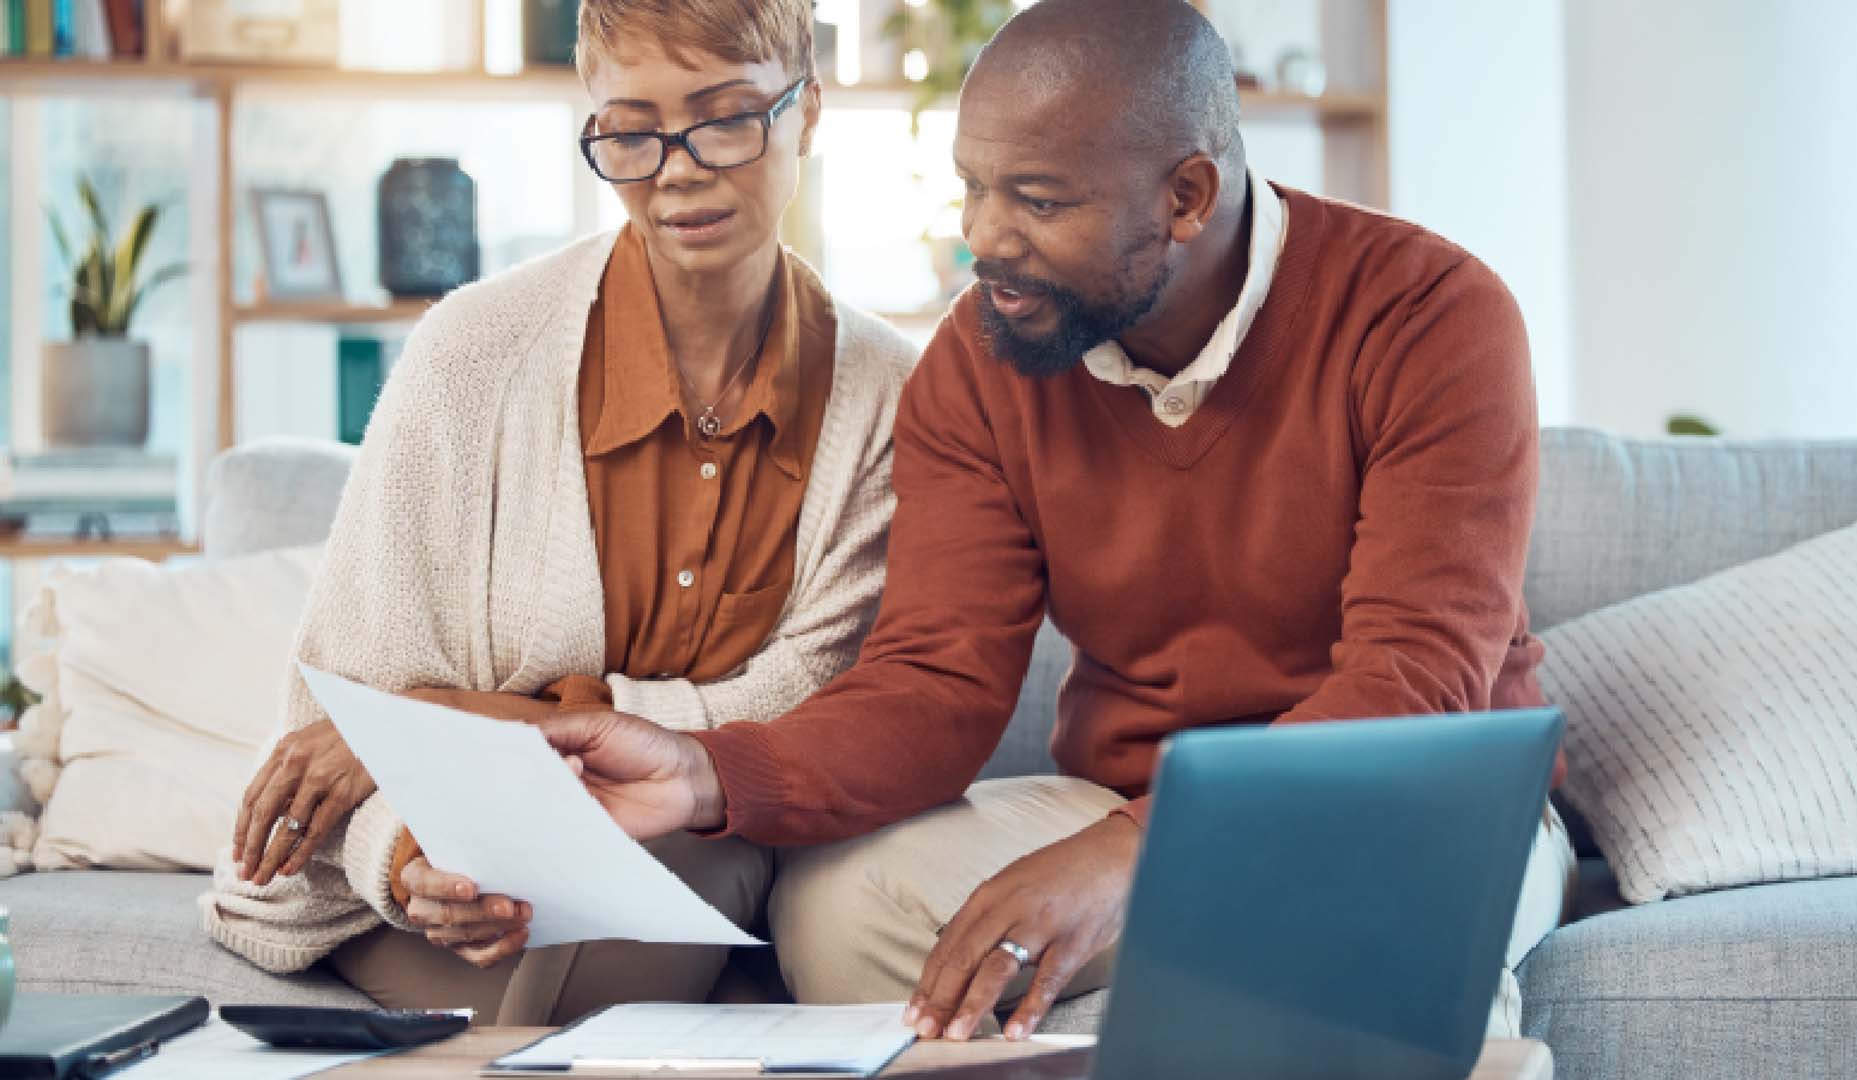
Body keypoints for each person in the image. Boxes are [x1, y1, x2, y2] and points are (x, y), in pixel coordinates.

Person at [535, 0, 1577, 1043]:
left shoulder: (1429, 315)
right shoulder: (983, 359)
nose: (983, 239)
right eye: (973, 189)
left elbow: (1414, 683)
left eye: (1035, 200)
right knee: (839, 911)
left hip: (1412, 800)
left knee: (1356, 944)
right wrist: (708, 770)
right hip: (1124, 803)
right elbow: (935, 681)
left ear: (1186, 195)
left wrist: (1142, 854)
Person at [201, 0, 916, 1026]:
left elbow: (805, 715)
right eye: (631, 131)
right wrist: (410, 862)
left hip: (717, 850)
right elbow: (346, 718)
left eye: (724, 118)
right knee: (576, 938)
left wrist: (456, 718)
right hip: (455, 879)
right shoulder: (471, 353)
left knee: (669, 873)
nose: (676, 170)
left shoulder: (890, 396)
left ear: (811, 110)